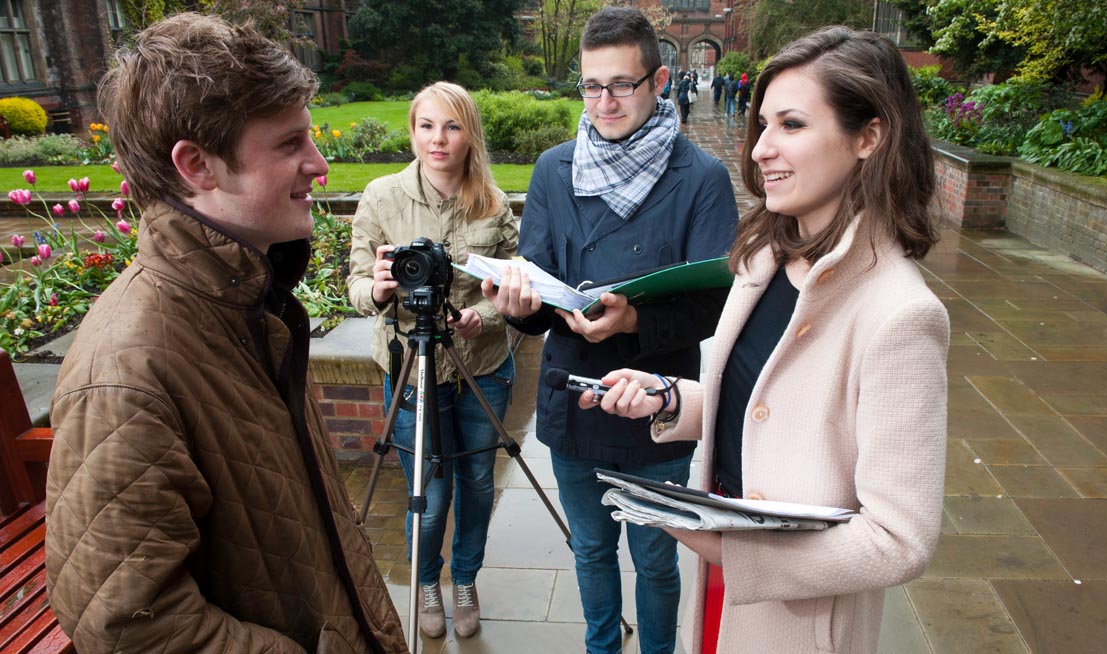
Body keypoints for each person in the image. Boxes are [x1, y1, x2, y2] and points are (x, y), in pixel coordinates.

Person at [44, 13, 407, 654]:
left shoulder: (239, 306)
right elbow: (129, 622)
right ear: (197, 165)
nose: (318, 164)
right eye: (290, 144)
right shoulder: (129, 372)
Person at [586, 26, 949, 654]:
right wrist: (671, 399)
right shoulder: (765, 257)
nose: (759, 149)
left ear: (870, 136)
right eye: (763, 125)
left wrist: (737, 554)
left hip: (796, 617)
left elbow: (900, 539)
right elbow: (771, 411)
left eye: (791, 125)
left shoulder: (900, 314)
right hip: (723, 587)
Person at [481, 7, 738, 654]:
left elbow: (717, 302)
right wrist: (517, 303)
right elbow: (540, 299)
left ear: (657, 80)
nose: (605, 101)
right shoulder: (553, 170)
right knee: (591, 550)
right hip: (576, 399)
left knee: (655, 561)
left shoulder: (701, 178)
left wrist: (638, 318)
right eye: (592, 86)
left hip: (659, 405)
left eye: (621, 84)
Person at [346, 82, 517, 640]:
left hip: (481, 363)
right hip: (411, 364)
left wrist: (482, 319)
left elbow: (512, 285)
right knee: (430, 485)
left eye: (452, 126)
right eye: (426, 126)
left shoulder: (493, 202)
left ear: (470, 135)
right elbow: (353, 282)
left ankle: (464, 579)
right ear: (412, 131)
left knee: (477, 480)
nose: (438, 139)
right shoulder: (380, 196)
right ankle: (426, 583)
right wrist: (375, 291)